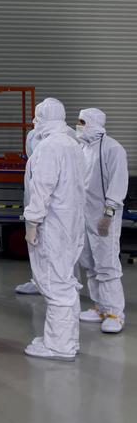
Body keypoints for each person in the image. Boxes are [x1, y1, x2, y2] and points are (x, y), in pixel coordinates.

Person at [23, 97, 86, 360]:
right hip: (70, 224)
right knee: (65, 281)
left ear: (44, 118)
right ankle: (68, 340)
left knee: (54, 283)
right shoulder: (72, 144)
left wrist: (32, 222)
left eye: (37, 117)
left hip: (52, 225)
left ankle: (59, 347)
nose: (34, 122)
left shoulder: (49, 147)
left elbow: (42, 189)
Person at [76, 107, 128, 334]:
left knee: (107, 264)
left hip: (104, 216)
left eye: (82, 122)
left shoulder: (113, 148)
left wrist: (109, 212)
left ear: (94, 123)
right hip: (85, 215)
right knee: (89, 262)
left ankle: (115, 313)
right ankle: (99, 307)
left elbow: (118, 181)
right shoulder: (82, 148)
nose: (78, 126)